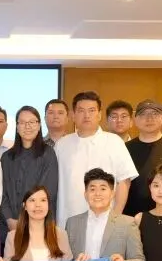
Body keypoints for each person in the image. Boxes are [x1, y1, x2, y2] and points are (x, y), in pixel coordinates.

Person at [55, 91, 138, 227]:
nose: (86, 115)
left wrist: (115, 217)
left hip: (105, 221)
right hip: (67, 220)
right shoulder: (62, 144)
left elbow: (124, 182)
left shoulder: (114, 142)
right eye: (81, 111)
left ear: (99, 115)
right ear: (73, 115)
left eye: (92, 110)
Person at [0, 106, 59, 234]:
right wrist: (9, 219)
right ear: (17, 127)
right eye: (22, 122)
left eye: (32, 122)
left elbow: (48, 192)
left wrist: (27, 222)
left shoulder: (47, 154)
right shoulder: (7, 157)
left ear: (39, 126)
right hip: (10, 226)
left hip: (38, 225)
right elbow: (1, 192)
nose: (27, 126)